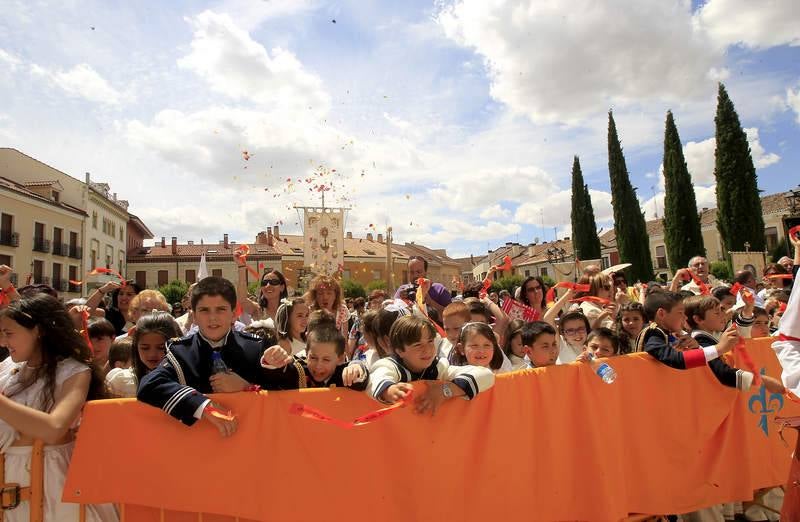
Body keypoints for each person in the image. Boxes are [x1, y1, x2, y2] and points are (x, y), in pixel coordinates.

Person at [0, 294, 117, 521]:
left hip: (52, 487)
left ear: (38, 331)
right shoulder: (7, 370)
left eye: (9, 333)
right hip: (10, 486)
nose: (3, 342)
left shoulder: (74, 371)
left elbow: (54, 428)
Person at [137, 277, 287, 436]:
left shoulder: (255, 347)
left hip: (251, 439)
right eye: (204, 310)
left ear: (234, 313)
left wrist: (246, 386)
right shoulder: (181, 352)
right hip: (199, 445)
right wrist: (204, 406)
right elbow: (149, 385)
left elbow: (286, 390)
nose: (213, 317)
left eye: (221, 309)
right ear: (194, 316)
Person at [367, 315, 494, 411]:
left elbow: (486, 375)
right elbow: (376, 379)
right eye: (417, 345)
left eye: (430, 342)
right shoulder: (389, 365)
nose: (427, 350)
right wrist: (389, 391)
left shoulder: (439, 367)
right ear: (400, 350)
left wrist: (444, 391)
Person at [261, 321, 368, 390]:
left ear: (340, 359)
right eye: (313, 357)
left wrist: (357, 368)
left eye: (326, 359)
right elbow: (278, 374)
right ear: (306, 353)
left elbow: (360, 382)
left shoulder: (344, 374)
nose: (318, 365)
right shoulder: (299, 371)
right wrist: (272, 360)